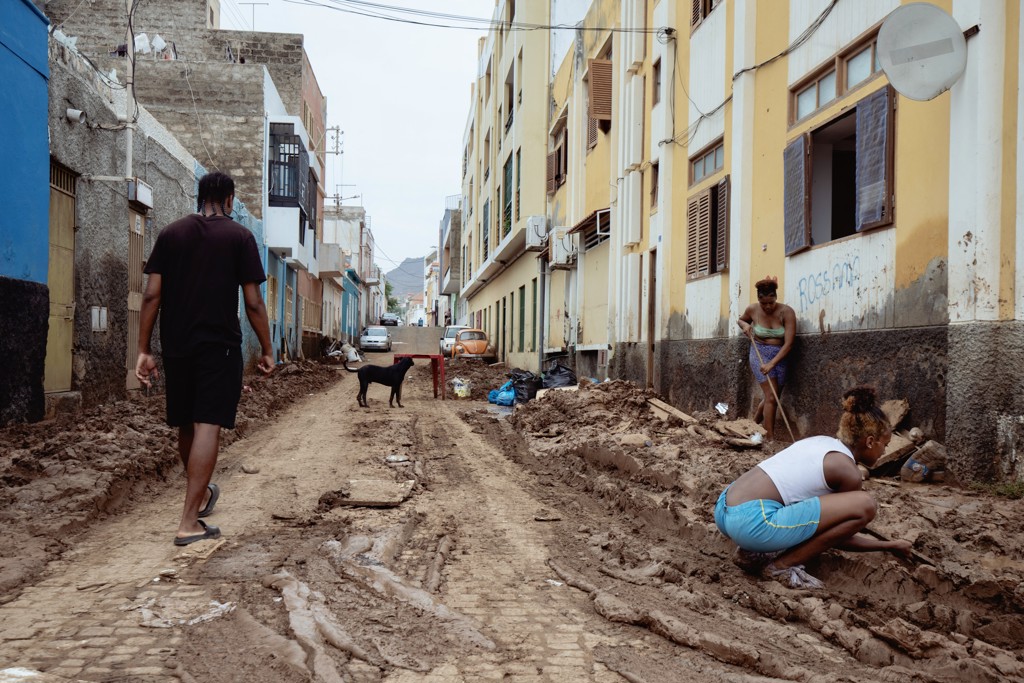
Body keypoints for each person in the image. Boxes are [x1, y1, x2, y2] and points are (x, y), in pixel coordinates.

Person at [135, 172, 274, 546]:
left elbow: (151, 295)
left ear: (200, 198)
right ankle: (188, 522)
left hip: (176, 346)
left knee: (187, 424)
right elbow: (253, 302)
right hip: (219, 347)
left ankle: (200, 493)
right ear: (229, 200)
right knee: (208, 424)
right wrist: (267, 349)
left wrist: (144, 350)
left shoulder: (171, 233)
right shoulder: (240, 237)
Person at [714, 386, 912, 589]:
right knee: (866, 505)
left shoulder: (820, 442)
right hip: (753, 523)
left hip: (724, 508)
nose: (884, 451)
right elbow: (837, 535)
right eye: (884, 444)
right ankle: (781, 566)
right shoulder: (849, 472)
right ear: (870, 441)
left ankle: (752, 551)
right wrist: (888, 545)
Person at [737, 276, 796, 441]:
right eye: (764, 303)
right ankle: (769, 438)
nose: (768, 306)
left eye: (771, 302)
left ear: (775, 297)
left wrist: (772, 363)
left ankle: (753, 424)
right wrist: (745, 325)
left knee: (774, 396)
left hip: (780, 355)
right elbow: (740, 320)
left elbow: (789, 343)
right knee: (771, 396)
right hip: (759, 353)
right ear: (759, 299)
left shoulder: (787, 312)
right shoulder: (752, 309)